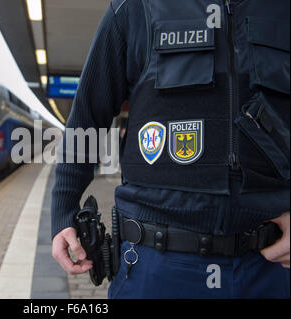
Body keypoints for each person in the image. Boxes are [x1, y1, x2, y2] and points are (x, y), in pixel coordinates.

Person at [51, 0, 290, 298]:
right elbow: (87, 119)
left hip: (271, 266)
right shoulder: (135, 8)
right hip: (153, 264)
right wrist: (63, 212)